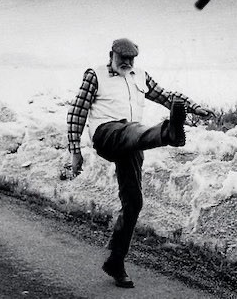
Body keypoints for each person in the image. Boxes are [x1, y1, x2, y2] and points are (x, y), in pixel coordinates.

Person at [66, 38, 214, 288]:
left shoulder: (140, 76)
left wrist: (193, 107)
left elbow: (167, 96)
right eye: (122, 58)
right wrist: (75, 151)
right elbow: (77, 112)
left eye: (131, 59)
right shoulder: (95, 75)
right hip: (107, 133)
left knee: (134, 202)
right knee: (131, 129)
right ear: (111, 55)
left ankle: (115, 261)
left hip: (133, 141)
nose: (126, 62)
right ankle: (168, 133)